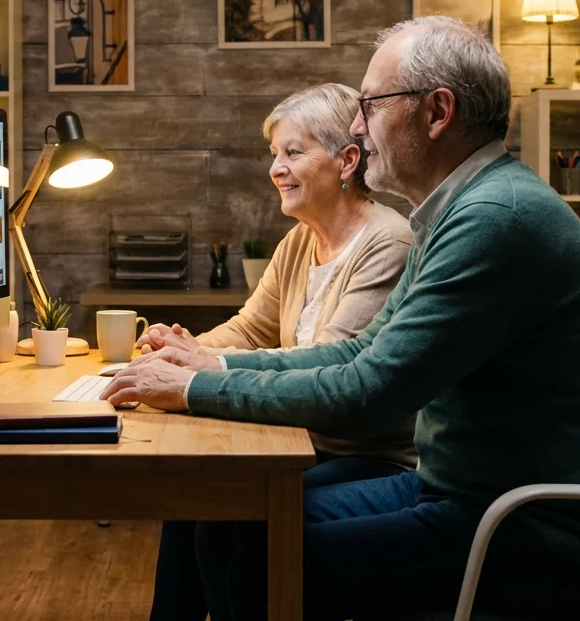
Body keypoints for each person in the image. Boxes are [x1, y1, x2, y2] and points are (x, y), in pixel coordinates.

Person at [104, 16, 580, 620]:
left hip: (538, 530)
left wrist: (196, 386)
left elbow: (371, 392)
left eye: (370, 106)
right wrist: (210, 364)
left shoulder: (494, 218)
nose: (358, 129)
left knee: (261, 562)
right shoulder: (457, 211)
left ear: (437, 112)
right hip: (466, 491)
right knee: (223, 523)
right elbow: (358, 352)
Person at [139, 83, 416, 621]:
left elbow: (335, 365)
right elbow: (249, 330)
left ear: (347, 160)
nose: (277, 169)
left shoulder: (389, 242)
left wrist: (196, 369)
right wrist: (181, 348)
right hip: (301, 442)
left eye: (294, 152)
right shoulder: (299, 240)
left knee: (220, 522)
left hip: (362, 454)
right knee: (186, 503)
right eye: (275, 155)